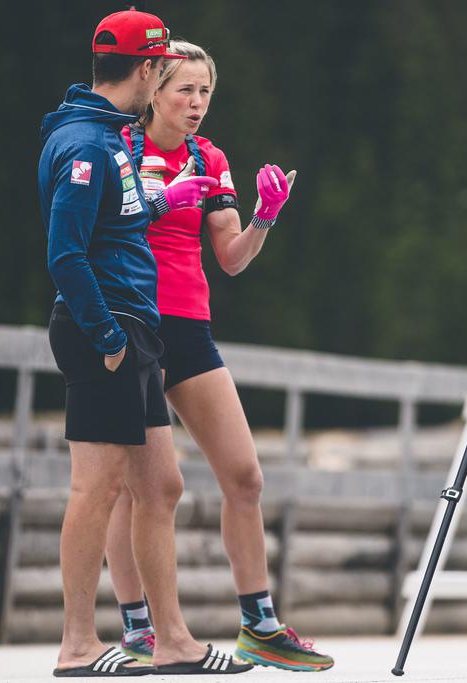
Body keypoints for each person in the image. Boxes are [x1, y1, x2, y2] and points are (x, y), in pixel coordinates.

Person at [102, 40, 334, 672]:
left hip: (189, 327)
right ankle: (138, 628)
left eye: (206, 91)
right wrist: (155, 201)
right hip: (131, 323)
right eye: (185, 90)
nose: (198, 103)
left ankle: (259, 623)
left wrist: (264, 217)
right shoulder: (119, 147)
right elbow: (95, 228)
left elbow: (230, 258)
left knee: (245, 476)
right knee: (138, 488)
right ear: (154, 90)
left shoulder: (210, 157)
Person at [39, 10, 251, 676]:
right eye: (164, 71)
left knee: (160, 486)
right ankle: (78, 645)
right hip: (107, 327)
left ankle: (173, 639)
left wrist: (164, 201)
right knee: (95, 491)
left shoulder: (109, 137)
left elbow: (118, 217)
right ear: (147, 70)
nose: (173, 85)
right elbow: (66, 254)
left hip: (137, 327)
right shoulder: (85, 144)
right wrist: (105, 336)